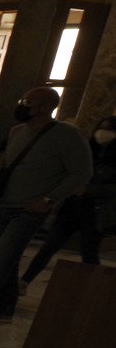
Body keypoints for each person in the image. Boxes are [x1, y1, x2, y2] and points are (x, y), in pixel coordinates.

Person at [0, 86, 94, 324]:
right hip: (4, 206)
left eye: (29, 102)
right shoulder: (17, 131)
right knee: (8, 260)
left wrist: (49, 199)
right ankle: (4, 309)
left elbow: (81, 172)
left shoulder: (67, 135)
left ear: (46, 107)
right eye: (23, 99)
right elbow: (8, 168)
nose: (23, 105)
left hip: (29, 210)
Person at [20, 113, 116, 286]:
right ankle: (25, 281)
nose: (103, 132)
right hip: (73, 207)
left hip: (96, 211)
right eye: (102, 128)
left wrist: (90, 190)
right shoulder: (89, 151)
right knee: (49, 246)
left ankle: (93, 287)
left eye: (109, 129)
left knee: (89, 251)